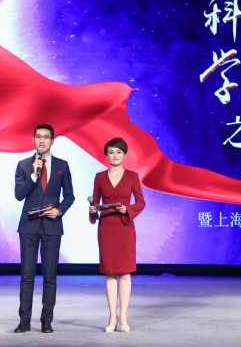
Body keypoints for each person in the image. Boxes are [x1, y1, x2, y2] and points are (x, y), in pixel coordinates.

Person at [14, 124, 74, 334]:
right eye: (38, 136)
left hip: (52, 227)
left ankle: (46, 321)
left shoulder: (62, 165)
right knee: (27, 276)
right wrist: (33, 175)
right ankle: (24, 321)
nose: (42, 140)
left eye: (46, 137)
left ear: (52, 141)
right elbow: (19, 195)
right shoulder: (23, 165)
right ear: (33, 140)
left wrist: (59, 210)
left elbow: (70, 196)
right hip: (28, 226)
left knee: (50, 277)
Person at [89, 137, 146, 333]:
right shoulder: (99, 177)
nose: (115, 155)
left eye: (119, 152)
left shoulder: (132, 176)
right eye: (111, 152)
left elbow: (141, 202)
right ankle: (112, 317)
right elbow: (95, 203)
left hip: (125, 227)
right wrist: (92, 209)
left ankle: (124, 317)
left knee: (126, 273)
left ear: (124, 155)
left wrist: (127, 209)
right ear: (106, 155)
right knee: (110, 272)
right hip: (106, 227)